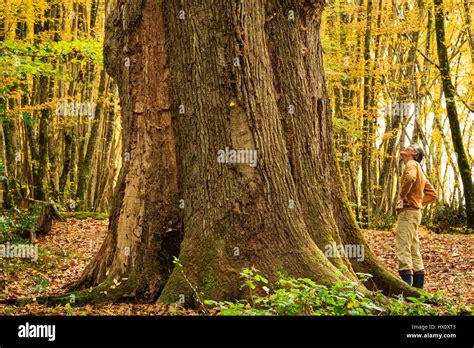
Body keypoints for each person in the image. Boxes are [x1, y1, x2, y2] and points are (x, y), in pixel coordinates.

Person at [396, 144, 437, 289]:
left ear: (413, 153)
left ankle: (407, 289)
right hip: (415, 212)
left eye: (408, 147)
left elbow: (410, 178)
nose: (404, 148)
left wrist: (403, 196)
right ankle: (418, 290)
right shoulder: (420, 169)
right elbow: (432, 194)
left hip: (408, 213)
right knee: (413, 248)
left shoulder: (412, 164)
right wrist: (418, 202)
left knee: (403, 247)